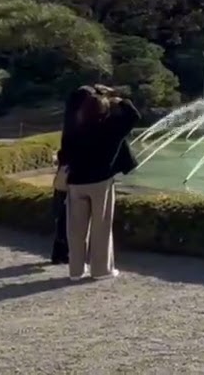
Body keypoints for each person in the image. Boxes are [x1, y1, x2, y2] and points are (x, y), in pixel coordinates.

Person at [59, 88, 141, 281]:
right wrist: (117, 97)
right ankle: (101, 270)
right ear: (104, 110)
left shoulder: (75, 128)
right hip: (100, 182)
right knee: (101, 226)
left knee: (75, 229)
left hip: (76, 182)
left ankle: (76, 271)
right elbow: (134, 115)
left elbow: (64, 154)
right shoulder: (111, 128)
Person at [51, 86, 102, 264]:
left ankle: (59, 250)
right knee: (73, 214)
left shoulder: (70, 120)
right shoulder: (85, 123)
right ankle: (70, 251)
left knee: (63, 211)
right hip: (78, 173)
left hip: (66, 171)